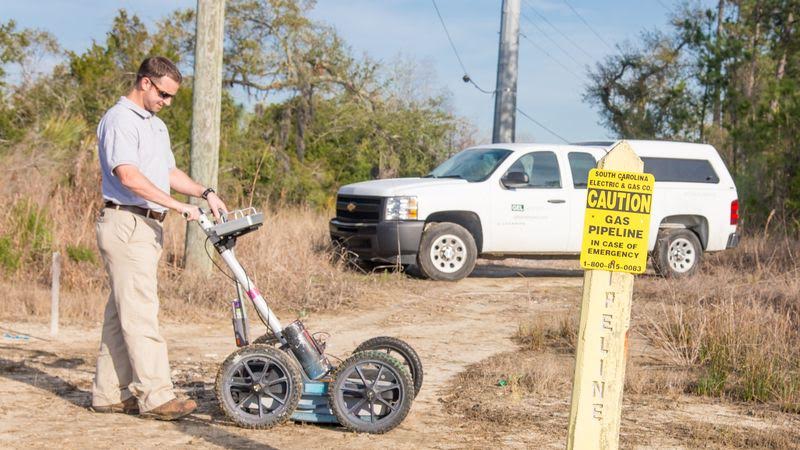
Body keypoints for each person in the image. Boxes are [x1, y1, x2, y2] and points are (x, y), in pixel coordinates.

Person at [91, 56, 227, 420]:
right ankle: (156, 396)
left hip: (148, 225)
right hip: (126, 222)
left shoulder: (155, 126)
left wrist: (203, 193)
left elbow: (167, 172)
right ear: (146, 83)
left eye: (172, 97)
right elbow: (129, 176)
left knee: (122, 312)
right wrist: (179, 208)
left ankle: (109, 393)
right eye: (164, 94)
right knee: (141, 313)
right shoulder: (120, 120)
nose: (167, 102)